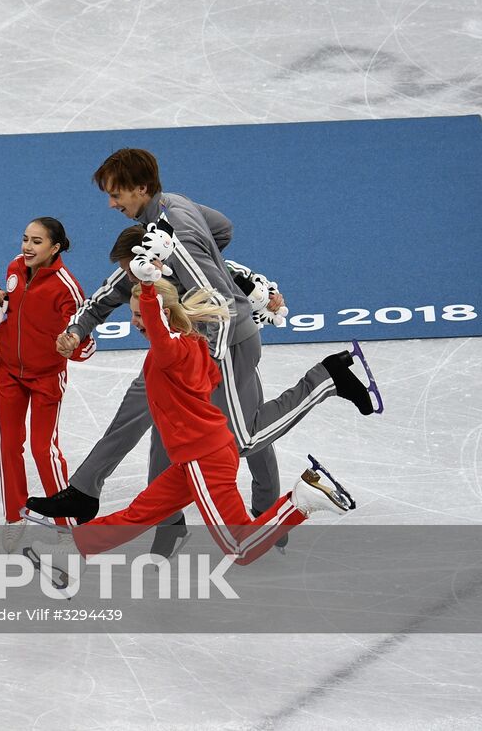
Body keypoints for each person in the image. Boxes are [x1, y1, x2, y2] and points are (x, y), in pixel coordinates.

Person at [27, 149, 380, 554]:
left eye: (116, 194)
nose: (110, 203)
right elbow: (222, 231)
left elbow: (223, 306)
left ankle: (326, 380)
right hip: (191, 338)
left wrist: (198, 360)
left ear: (141, 189)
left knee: (244, 437)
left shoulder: (177, 237)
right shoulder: (170, 210)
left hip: (224, 343)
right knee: (153, 404)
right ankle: (126, 507)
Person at [21, 269, 356, 584]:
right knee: (139, 513)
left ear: (162, 315)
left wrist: (150, 287)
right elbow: (204, 378)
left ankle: (301, 501)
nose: (135, 321)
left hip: (203, 458)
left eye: (140, 315)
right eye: (134, 313)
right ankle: (66, 556)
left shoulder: (171, 350)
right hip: (198, 454)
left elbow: (158, 328)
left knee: (239, 548)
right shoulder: (192, 345)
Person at [0, 218, 94, 552]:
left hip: (46, 376)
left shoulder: (68, 288)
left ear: (56, 247)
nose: (27, 247)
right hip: (8, 371)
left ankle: (66, 523)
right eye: (25, 239)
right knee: (9, 445)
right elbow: (12, 307)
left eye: (36, 241)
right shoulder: (14, 268)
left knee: (42, 449)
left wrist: (72, 345)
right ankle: (14, 516)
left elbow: (86, 342)